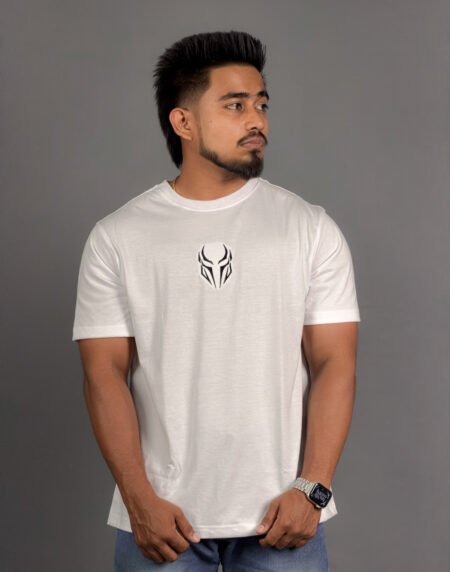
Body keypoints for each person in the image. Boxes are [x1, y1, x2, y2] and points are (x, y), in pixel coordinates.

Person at [72, 30, 360, 571]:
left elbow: (335, 363)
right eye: (235, 105)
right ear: (183, 122)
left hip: (285, 519)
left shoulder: (310, 228)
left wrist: (313, 490)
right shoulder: (118, 237)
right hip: (162, 521)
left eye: (261, 104)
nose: (257, 120)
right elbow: (103, 374)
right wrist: (138, 501)